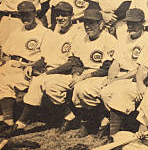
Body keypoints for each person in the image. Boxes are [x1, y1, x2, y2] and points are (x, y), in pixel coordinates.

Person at [0, 1, 48, 136]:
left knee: (0, 78)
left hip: (25, 68)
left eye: (28, 14)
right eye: (22, 15)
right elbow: (7, 54)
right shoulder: (17, 31)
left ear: (35, 13)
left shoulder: (44, 32)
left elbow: (47, 58)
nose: (25, 18)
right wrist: (1, 60)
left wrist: (30, 65)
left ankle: (4, 120)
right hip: (8, 64)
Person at [42, 9, 116, 137]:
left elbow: (107, 68)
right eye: (86, 22)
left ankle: (93, 121)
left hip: (99, 74)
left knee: (81, 89)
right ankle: (71, 116)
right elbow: (75, 61)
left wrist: (83, 77)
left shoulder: (108, 39)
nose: (88, 26)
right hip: (80, 73)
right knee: (51, 85)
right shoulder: (81, 38)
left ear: (100, 24)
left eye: (92, 23)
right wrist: (76, 74)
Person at [10, 2, 80, 134]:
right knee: (32, 80)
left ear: (72, 16)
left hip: (68, 73)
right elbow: (44, 58)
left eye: (64, 15)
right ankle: (69, 116)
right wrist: (32, 65)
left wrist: (49, 73)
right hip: (51, 72)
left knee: (40, 82)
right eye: (57, 15)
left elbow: (73, 63)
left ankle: (21, 123)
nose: (60, 18)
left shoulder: (77, 33)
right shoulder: (52, 34)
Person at [96, 8, 148, 139]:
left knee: (120, 92)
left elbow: (140, 69)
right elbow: (116, 63)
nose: (131, 26)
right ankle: (119, 126)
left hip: (134, 77)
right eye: (129, 23)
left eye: (135, 23)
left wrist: (117, 80)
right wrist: (111, 78)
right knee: (104, 92)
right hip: (121, 76)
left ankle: (113, 135)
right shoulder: (124, 38)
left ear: (143, 23)